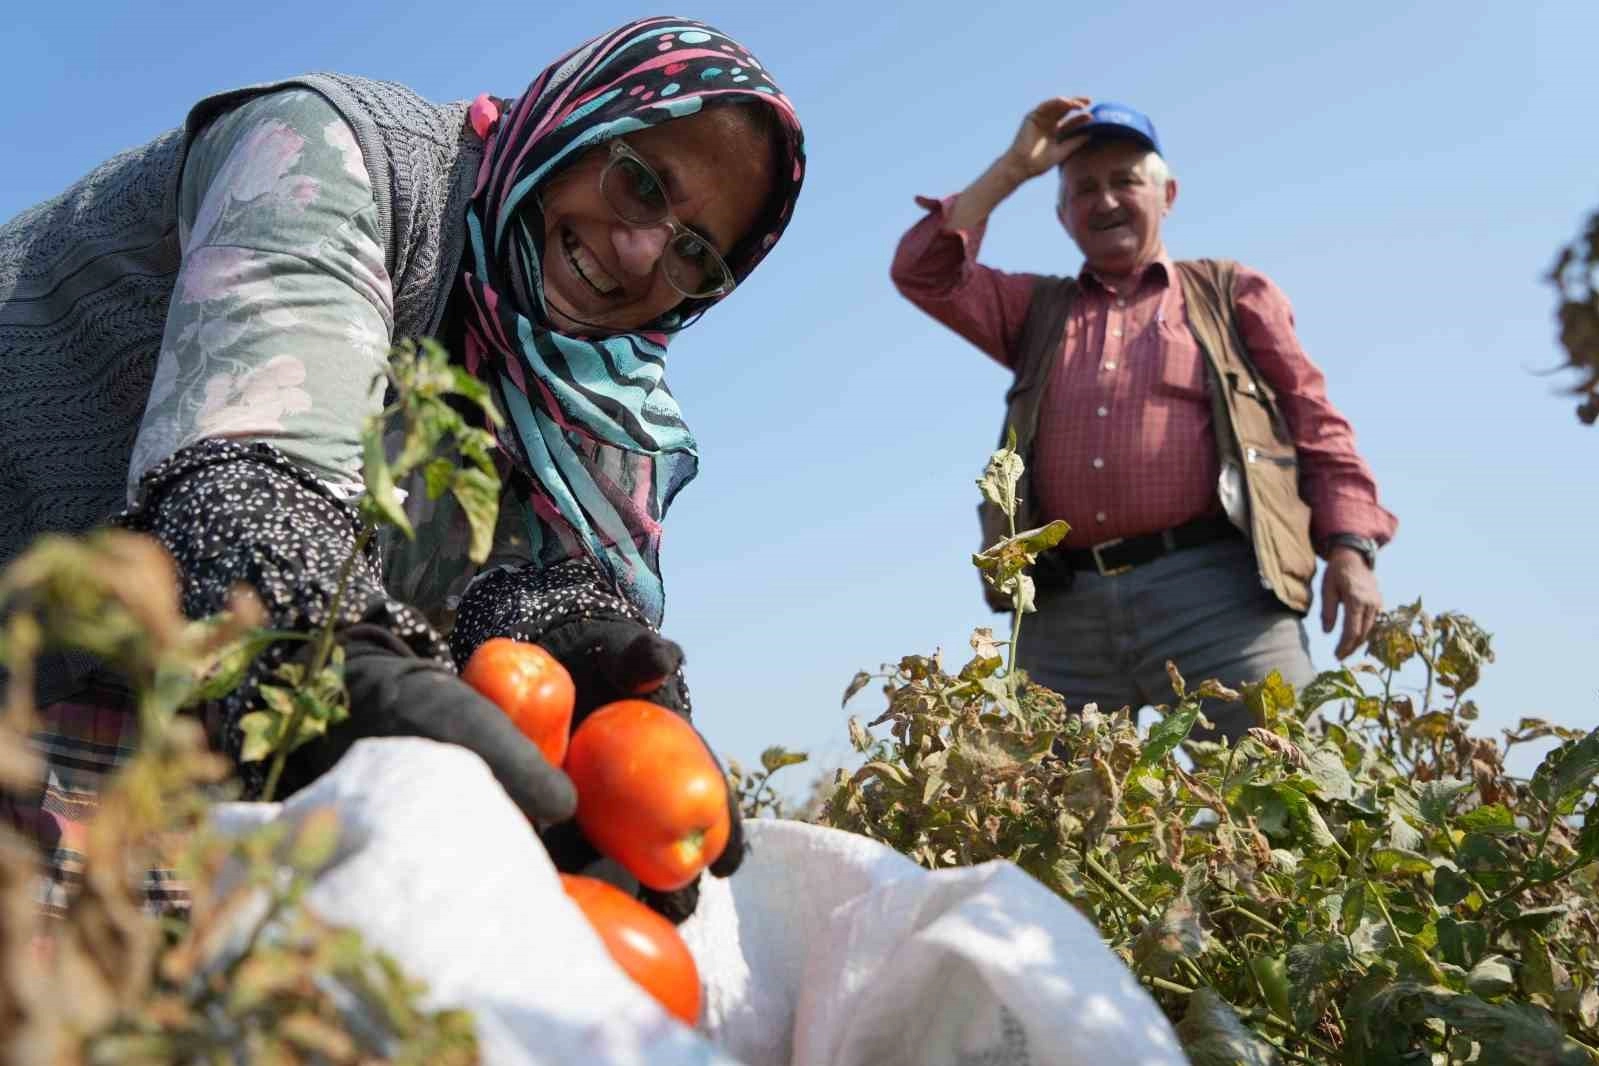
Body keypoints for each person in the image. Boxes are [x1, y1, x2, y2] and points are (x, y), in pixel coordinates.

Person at [0, 15, 806, 923]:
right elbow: (239, 481)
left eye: (697, 253)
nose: (642, 252)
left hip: (149, 691)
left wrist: (573, 649)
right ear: (574, 124)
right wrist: (329, 652)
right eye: (639, 182)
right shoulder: (331, 153)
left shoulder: (569, 386)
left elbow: (500, 575)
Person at [890, 98, 1394, 739]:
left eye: (1125, 180)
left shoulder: (1231, 294)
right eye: (1084, 189)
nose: (1104, 202)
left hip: (1220, 598)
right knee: (1049, 818)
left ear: (1167, 193)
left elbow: (1315, 422)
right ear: (1062, 214)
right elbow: (923, 271)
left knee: (1289, 788)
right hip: (1062, 607)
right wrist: (1014, 169)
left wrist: (1350, 548)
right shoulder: (1036, 311)